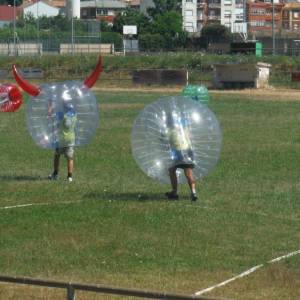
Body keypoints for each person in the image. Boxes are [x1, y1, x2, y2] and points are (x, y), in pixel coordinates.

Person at [164, 112, 198, 201]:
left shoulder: (168, 130)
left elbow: (164, 141)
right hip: (188, 151)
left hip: (177, 153)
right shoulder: (184, 128)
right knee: (189, 173)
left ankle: (174, 193)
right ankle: (193, 193)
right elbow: (190, 137)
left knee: (172, 170)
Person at [48, 101, 77, 182]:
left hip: (61, 139)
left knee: (57, 155)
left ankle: (55, 174)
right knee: (70, 158)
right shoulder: (74, 113)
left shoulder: (61, 114)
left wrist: (50, 108)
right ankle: (70, 177)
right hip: (71, 139)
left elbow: (53, 120)